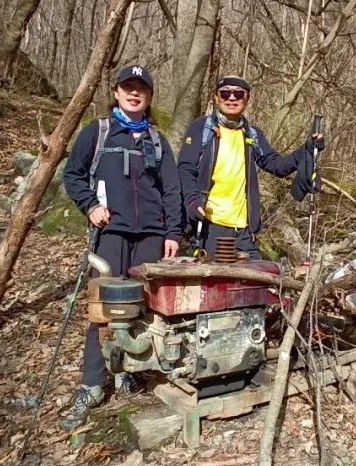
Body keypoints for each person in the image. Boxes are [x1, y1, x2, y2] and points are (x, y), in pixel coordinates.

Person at [62, 65, 184, 427]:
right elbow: (73, 174)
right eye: (127, 87)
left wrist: (173, 234)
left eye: (141, 89)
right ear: (115, 92)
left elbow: (172, 190)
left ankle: (128, 372)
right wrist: (90, 205)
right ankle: (92, 384)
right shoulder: (98, 132)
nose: (134, 94)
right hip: (111, 233)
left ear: (148, 97)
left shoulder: (157, 141)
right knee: (103, 311)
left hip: (150, 235)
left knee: (142, 309)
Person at [177, 75, 325, 259]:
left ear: (246, 99)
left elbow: (276, 165)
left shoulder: (252, 134)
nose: (232, 98)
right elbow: (185, 169)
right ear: (216, 97)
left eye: (238, 94)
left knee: (255, 282)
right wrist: (192, 202)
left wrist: (306, 150)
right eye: (225, 93)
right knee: (215, 285)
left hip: (244, 232)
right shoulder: (201, 128)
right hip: (209, 227)